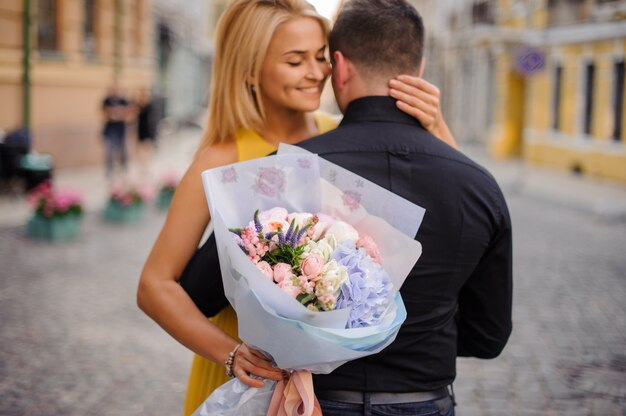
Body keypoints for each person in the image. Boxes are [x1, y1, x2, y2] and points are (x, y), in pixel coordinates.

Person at [180, 0, 513, 415]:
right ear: (420, 66)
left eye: (319, 59)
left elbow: (197, 293)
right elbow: (488, 338)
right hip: (424, 402)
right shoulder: (477, 185)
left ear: (339, 66)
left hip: (314, 402)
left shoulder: (284, 172)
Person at [102, 81, 130, 178]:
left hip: (121, 129)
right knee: (109, 150)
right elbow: (104, 113)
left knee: (122, 150)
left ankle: (123, 168)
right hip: (110, 129)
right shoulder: (107, 100)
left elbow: (127, 113)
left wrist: (118, 114)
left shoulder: (124, 100)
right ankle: (109, 170)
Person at [134, 87, 159, 177]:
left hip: (148, 129)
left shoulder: (149, 105)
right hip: (141, 129)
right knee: (141, 149)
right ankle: (143, 166)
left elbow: (153, 118)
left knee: (147, 149)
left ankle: (146, 166)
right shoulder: (138, 106)